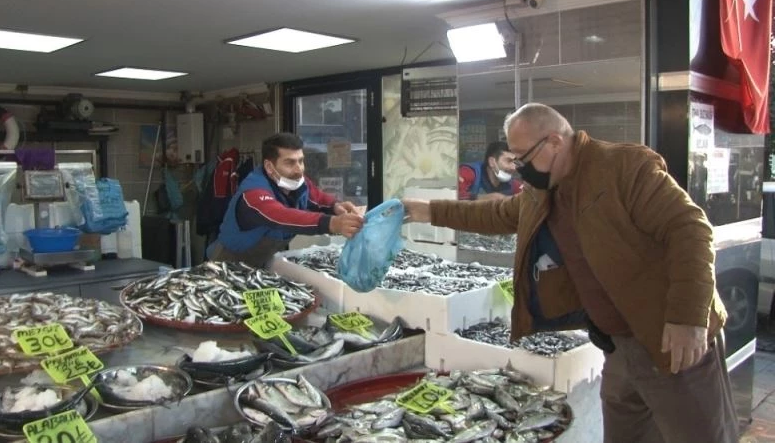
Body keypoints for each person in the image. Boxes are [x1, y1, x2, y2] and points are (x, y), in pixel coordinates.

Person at [402, 103, 736, 443]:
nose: (518, 169)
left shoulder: (624, 167)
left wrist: (687, 318)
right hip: (618, 345)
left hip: (669, 339)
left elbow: (691, 229)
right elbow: (496, 215)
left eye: (523, 157)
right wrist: (425, 211)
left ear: (554, 142)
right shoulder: (542, 190)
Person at [207, 132, 364, 268]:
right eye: (290, 163)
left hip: (262, 264)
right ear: (269, 167)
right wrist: (333, 223)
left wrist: (335, 206)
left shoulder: (298, 181)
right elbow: (282, 216)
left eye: (301, 161)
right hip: (226, 264)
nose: (299, 169)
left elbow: (317, 197)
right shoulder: (253, 193)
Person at [458, 140, 523, 200]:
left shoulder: (512, 184)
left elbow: (527, 195)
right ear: (492, 162)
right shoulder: (468, 172)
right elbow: (454, 194)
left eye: (514, 163)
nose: (513, 168)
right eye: (508, 161)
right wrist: (481, 198)